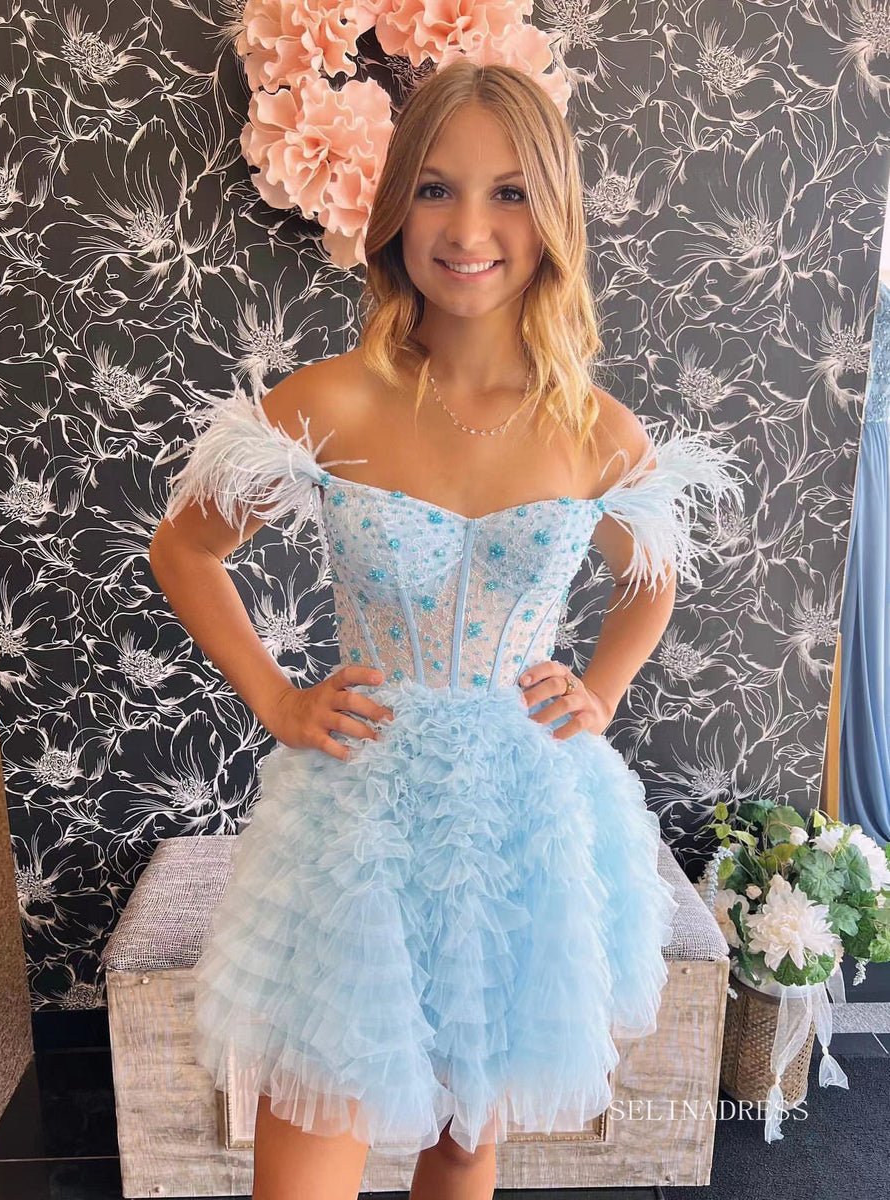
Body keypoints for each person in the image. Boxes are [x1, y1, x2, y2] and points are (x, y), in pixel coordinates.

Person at [149, 60, 746, 1200]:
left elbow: (651, 581)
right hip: (361, 817)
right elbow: (183, 550)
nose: (469, 229)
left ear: (553, 214)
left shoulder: (593, 429)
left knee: (468, 1135)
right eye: (435, 188)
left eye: (509, 192)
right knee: (312, 1122)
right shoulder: (332, 401)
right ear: (395, 212)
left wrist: (603, 688)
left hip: (523, 815)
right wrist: (279, 700)